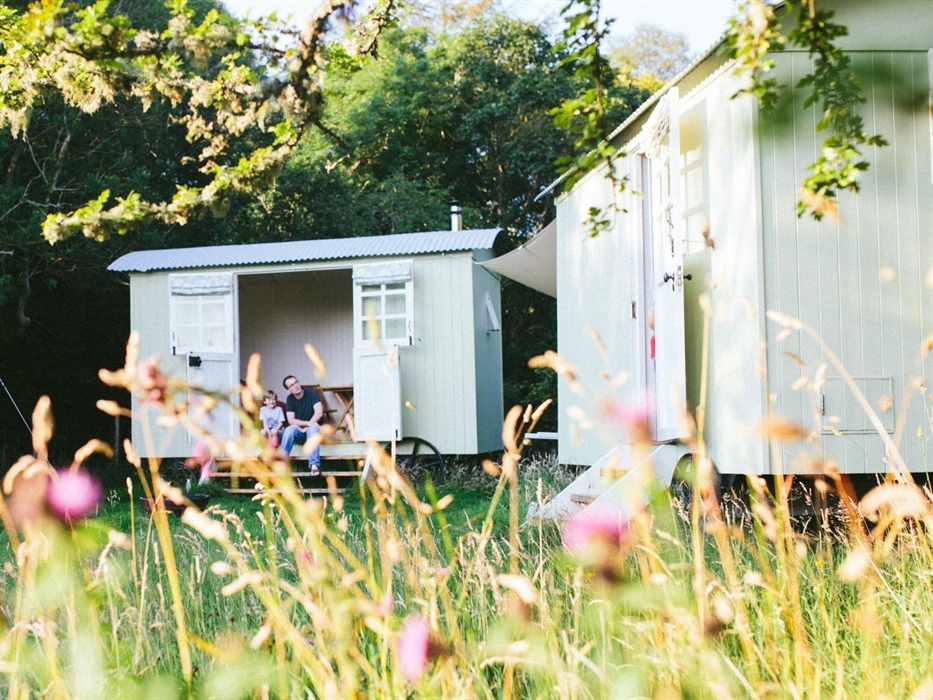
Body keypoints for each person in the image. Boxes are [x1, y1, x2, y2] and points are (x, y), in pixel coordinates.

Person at [279, 375, 323, 476]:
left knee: (312, 429)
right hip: (300, 431)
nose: (296, 386)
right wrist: (306, 424)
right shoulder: (290, 399)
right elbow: (291, 420)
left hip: (314, 431)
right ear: (288, 390)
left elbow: (319, 412)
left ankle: (314, 465)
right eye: (291, 385)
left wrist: (308, 427)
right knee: (289, 429)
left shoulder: (311, 393)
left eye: (296, 382)